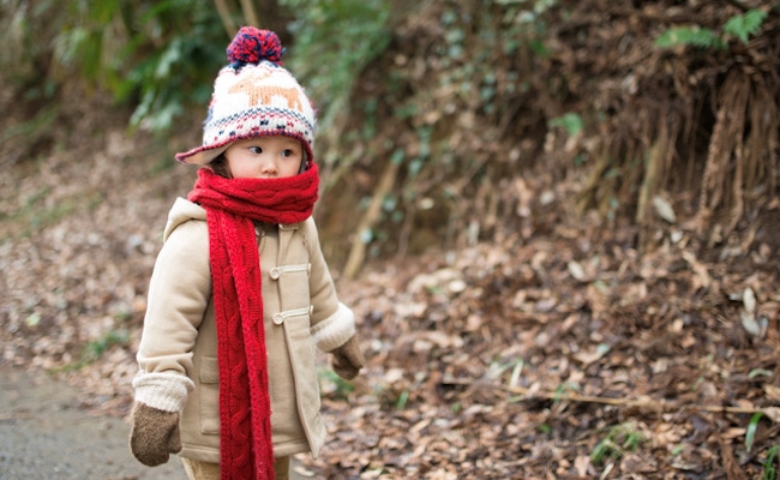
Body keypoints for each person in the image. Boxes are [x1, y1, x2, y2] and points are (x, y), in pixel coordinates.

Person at [128, 27, 365, 480]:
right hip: (218, 412)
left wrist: (338, 336)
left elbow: (319, 286)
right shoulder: (198, 235)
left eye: (287, 151)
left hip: (282, 407)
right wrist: (157, 399)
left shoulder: (297, 222)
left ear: (304, 157)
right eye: (255, 149)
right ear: (223, 153)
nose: (272, 163)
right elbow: (168, 320)